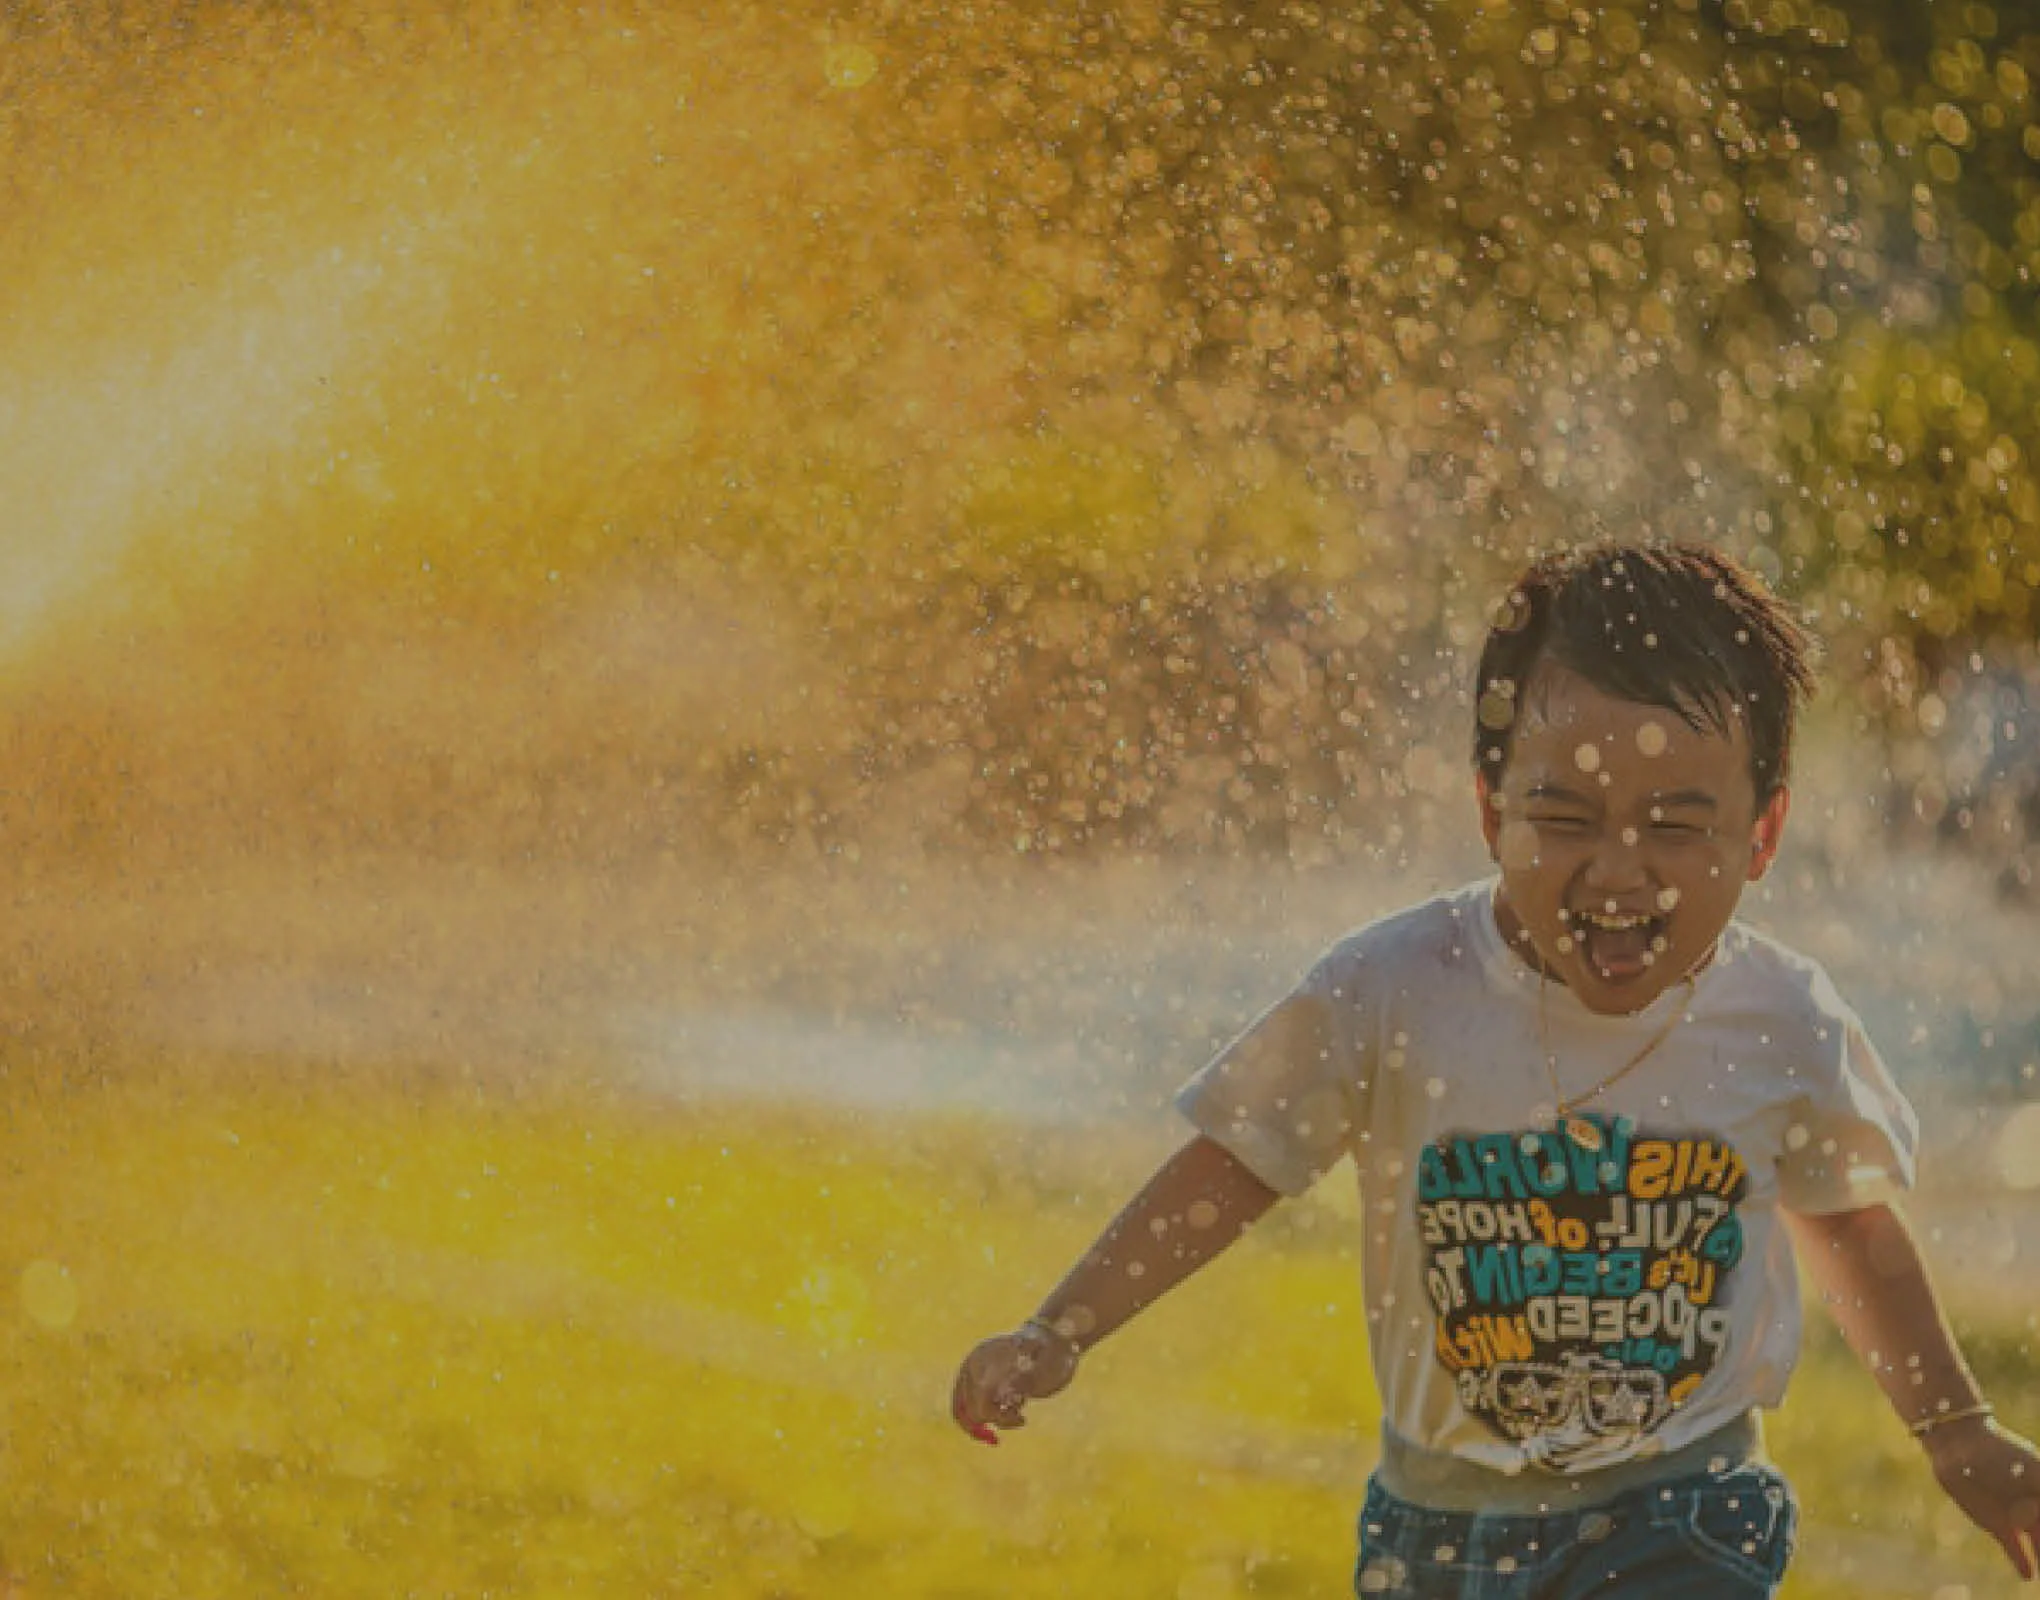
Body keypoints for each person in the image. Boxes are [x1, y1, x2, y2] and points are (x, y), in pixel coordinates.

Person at [950, 543, 2040, 1596]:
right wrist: (1060, 1326)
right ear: (1490, 810)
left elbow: (1849, 1224)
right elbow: (1237, 1160)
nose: (1619, 871)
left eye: (1676, 825)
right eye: (1565, 818)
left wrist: (1955, 1428)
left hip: (1681, 1508)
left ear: (1762, 834)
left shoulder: (1780, 1017)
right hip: (1435, 1529)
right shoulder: (1394, 987)